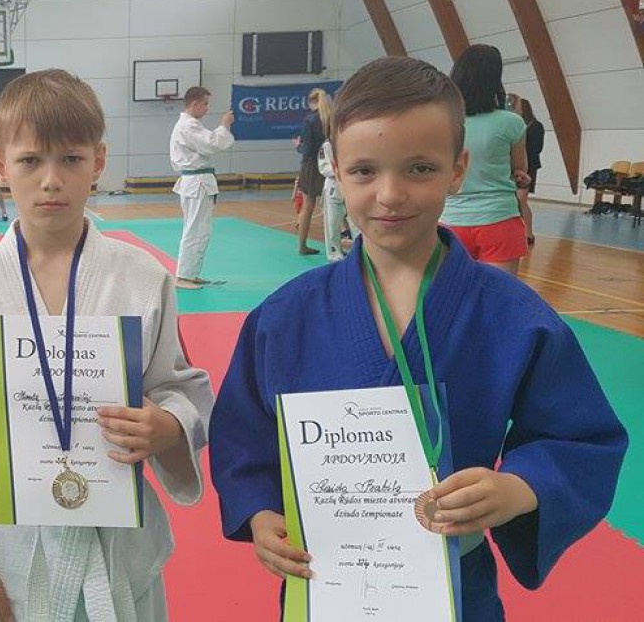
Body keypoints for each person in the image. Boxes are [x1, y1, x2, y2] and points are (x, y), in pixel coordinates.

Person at [208, 57, 627, 620]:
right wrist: (261, 514)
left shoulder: (512, 315)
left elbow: (581, 437)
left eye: (420, 169)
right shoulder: (284, 318)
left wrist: (519, 488)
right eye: (364, 171)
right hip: (325, 583)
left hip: (456, 589)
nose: (390, 194)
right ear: (334, 169)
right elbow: (243, 437)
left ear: (458, 169)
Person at [0, 69, 213, 621]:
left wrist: (168, 425)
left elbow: (177, 384)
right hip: (12, 541)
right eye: (30, 160)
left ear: (98, 161)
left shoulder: (143, 277)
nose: (51, 180)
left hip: (120, 537)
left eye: (71, 159)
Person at [441, 44, 529, 274]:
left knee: (450, 291)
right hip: (499, 220)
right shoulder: (511, 122)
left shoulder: (442, 121)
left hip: (449, 220)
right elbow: (519, 169)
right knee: (499, 293)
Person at [169, 86, 234, 290]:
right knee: (195, 230)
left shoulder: (191, 125)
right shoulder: (188, 126)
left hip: (198, 181)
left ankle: (191, 273)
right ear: (195, 104)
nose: (207, 108)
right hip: (196, 182)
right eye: (205, 104)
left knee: (201, 230)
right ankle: (183, 276)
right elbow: (212, 144)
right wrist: (224, 125)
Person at [295, 88, 331, 256]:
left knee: (308, 206)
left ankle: (302, 245)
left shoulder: (310, 120)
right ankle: (335, 244)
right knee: (335, 206)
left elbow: (307, 148)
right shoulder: (331, 118)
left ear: (311, 102)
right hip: (329, 164)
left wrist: (298, 146)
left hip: (312, 166)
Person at [316, 138, 357, 261]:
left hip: (352, 188)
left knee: (357, 225)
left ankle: (360, 253)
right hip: (333, 189)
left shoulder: (353, 141)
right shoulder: (327, 145)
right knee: (332, 225)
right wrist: (341, 171)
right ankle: (335, 255)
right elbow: (323, 168)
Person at [512, 96, 544, 246]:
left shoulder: (536, 126)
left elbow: (537, 148)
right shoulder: (515, 125)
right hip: (517, 166)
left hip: (529, 166)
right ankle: (518, 232)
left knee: (522, 200)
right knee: (517, 201)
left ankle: (528, 233)